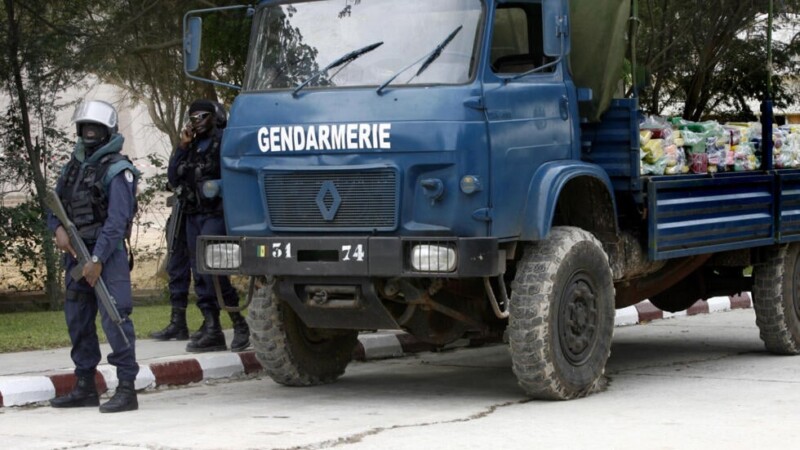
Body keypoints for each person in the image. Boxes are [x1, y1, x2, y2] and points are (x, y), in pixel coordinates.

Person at [48, 99, 141, 413]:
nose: (88, 133)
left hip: (106, 256)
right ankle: (85, 385)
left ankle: (127, 389)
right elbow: (54, 203)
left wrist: (97, 260)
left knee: (116, 319)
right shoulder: (73, 166)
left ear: (106, 131)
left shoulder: (118, 170)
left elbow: (117, 221)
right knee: (78, 320)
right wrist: (57, 230)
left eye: (94, 128)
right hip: (76, 253)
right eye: (84, 128)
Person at [168, 99, 250, 352]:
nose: (197, 122)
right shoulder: (190, 146)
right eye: (193, 118)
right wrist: (181, 147)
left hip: (216, 214)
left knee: (215, 270)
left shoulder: (223, 142)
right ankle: (212, 327)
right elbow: (173, 178)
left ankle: (239, 325)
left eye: (202, 116)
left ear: (215, 116)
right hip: (193, 215)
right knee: (199, 272)